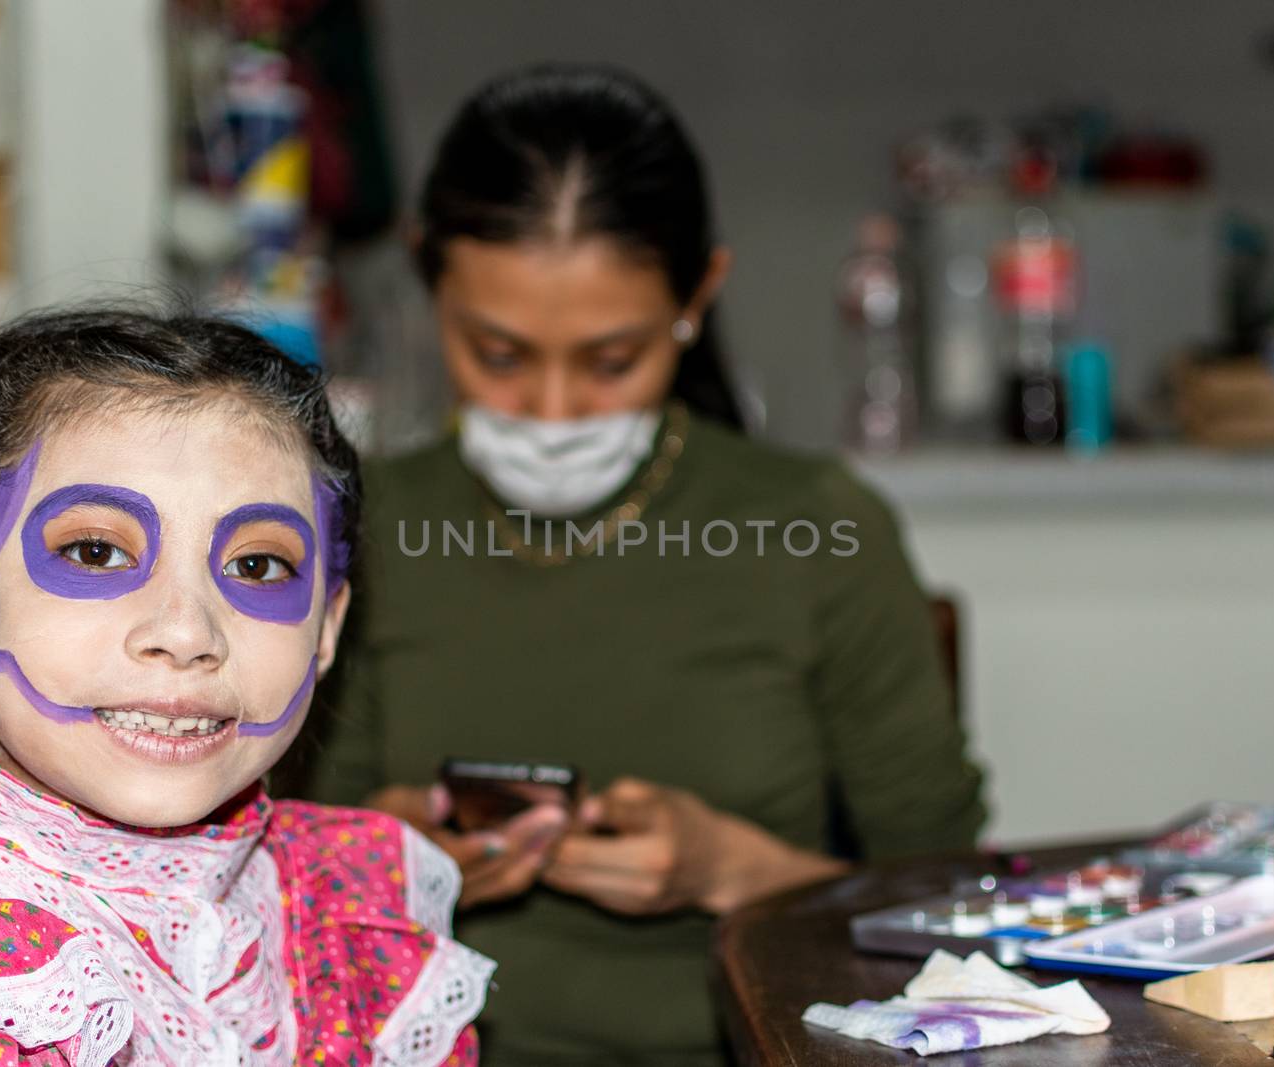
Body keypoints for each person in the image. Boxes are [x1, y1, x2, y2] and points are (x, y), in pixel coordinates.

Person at [297, 64, 986, 1066]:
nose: (553, 410)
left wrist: (739, 873)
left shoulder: (816, 528)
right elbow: (254, 882)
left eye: (612, 360)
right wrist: (379, 852)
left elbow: (947, 899)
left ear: (696, 297)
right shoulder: (358, 527)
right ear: (428, 276)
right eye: (496, 352)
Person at [0, 308, 492, 1066]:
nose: (186, 632)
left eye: (257, 566)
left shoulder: (342, 906)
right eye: (96, 550)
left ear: (327, 628)